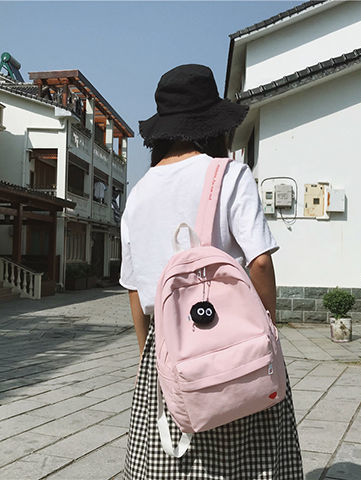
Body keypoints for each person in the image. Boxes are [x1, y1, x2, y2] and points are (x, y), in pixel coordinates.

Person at [119, 64, 303, 479]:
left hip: (165, 347)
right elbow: (259, 261)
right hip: (229, 342)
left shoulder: (138, 193)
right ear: (212, 125)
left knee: (171, 463)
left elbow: (134, 290)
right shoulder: (229, 174)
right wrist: (267, 330)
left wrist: (151, 355)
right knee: (246, 461)